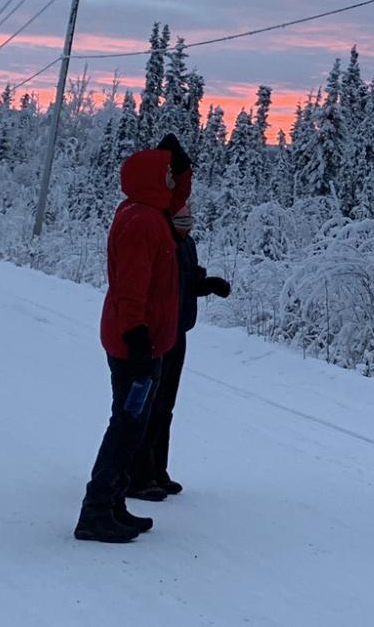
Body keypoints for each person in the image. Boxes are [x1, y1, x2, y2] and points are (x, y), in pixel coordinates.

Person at [74, 138, 187, 544]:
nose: (174, 180)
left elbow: (178, 206)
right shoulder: (142, 221)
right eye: (168, 174)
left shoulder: (147, 213)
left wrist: (184, 170)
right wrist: (138, 337)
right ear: (151, 179)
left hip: (143, 342)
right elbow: (132, 288)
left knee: (132, 427)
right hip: (135, 345)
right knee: (125, 426)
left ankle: (113, 503)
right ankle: (96, 512)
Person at [131, 135, 231, 502]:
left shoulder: (182, 233)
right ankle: (138, 474)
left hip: (177, 329)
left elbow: (181, 280)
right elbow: (148, 282)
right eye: (176, 176)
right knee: (148, 404)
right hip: (155, 331)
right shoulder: (155, 223)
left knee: (165, 405)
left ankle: (157, 468)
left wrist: (207, 285)